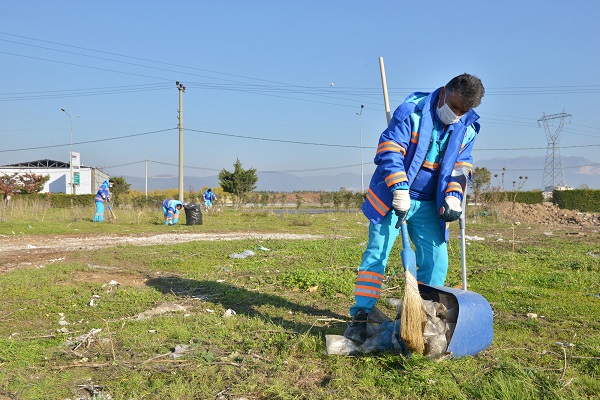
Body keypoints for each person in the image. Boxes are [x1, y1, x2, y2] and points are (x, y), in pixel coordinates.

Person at [344, 73, 485, 344]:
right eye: (454, 106)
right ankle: (361, 315)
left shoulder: (467, 126)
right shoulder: (412, 112)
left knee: (436, 260)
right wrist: (398, 188)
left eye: (463, 111)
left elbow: (462, 165)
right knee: (377, 254)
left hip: (431, 203)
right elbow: (390, 151)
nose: (456, 114)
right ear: (444, 92)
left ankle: (420, 315)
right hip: (393, 197)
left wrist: (454, 196)